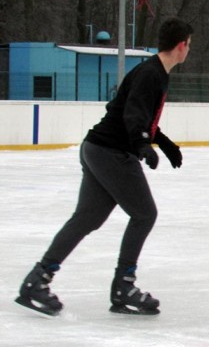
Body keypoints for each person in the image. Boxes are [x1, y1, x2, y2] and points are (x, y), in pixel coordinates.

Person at [15, 17, 194, 316]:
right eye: (189, 44)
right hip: (112, 152)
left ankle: (38, 279)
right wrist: (141, 144)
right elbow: (133, 115)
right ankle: (124, 285)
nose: (189, 50)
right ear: (181, 45)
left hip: (96, 148)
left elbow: (128, 112)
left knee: (87, 218)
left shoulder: (154, 72)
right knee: (144, 214)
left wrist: (162, 142)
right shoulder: (151, 74)